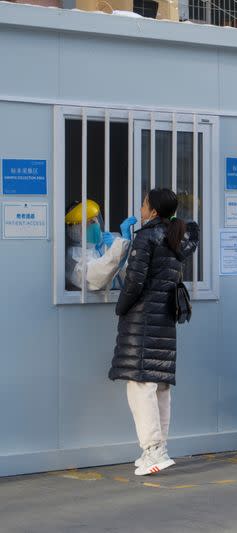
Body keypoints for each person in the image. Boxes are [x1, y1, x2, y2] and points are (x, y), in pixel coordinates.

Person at [109, 188, 199, 476]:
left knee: (139, 386)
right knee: (159, 385)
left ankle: (153, 450)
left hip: (143, 320)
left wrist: (121, 307)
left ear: (153, 211)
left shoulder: (147, 237)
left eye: (144, 204)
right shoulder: (176, 236)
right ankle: (158, 449)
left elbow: (134, 281)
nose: (141, 208)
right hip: (164, 319)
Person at [65, 199, 137, 291]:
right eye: (87, 224)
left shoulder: (110, 241)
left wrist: (120, 249)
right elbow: (97, 277)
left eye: (93, 221)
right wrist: (118, 248)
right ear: (74, 230)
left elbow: (131, 277)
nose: (93, 226)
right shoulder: (74, 254)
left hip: (119, 300)